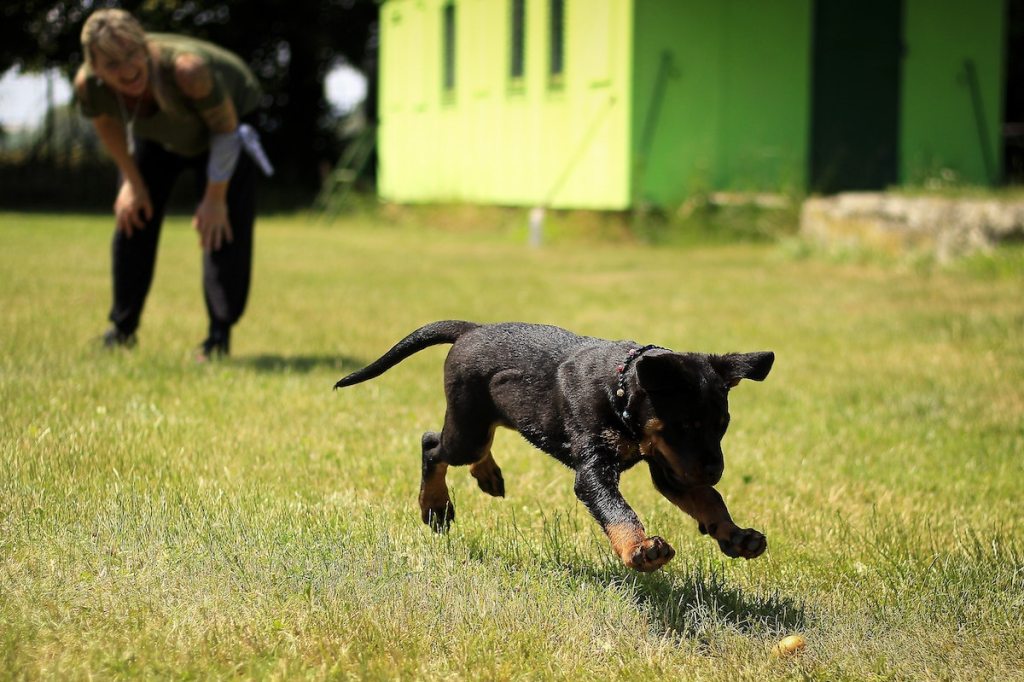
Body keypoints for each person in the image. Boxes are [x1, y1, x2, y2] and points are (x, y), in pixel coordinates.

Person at [75, 9, 273, 360]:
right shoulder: (90, 86)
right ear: (94, 66)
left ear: (145, 46)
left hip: (225, 128)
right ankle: (122, 329)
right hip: (160, 134)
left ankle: (218, 337)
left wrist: (214, 199)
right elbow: (106, 124)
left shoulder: (187, 71)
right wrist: (131, 182)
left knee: (221, 228)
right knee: (132, 216)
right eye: (112, 63)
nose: (128, 69)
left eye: (133, 54)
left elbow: (226, 131)